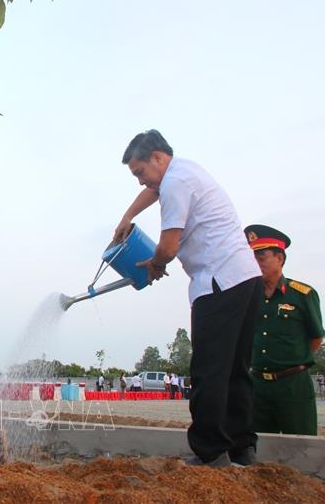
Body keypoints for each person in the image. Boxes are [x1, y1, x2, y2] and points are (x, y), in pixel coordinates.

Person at [114, 130, 262, 468]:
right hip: (245, 278)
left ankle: (210, 452)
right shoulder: (185, 170)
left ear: (158, 158)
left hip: (219, 282)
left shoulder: (176, 185)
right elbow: (152, 190)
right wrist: (127, 217)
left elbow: (168, 246)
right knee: (237, 369)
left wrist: (154, 265)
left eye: (139, 172)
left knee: (210, 369)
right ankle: (242, 448)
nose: (139, 182)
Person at [244, 224, 325, 435]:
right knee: (258, 448)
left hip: (293, 385)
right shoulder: (249, 296)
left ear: (280, 258)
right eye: (252, 258)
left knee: (300, 447)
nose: (256, 263)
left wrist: (291, 360)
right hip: (258, 385)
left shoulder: (302, 294)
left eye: (261, 257)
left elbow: (316, 337)